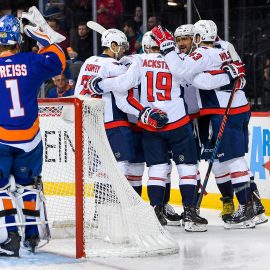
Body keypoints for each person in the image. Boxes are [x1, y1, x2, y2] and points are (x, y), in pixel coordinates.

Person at [151, 21, 257, 229]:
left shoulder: (202, 54)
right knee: (231, 159)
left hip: (224, 109)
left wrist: (167, 50)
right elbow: (239, 75)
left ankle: (247, 208)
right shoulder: (223, 49)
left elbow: (189, 75)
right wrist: (228, 75)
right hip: (238, 108)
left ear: (197, 38)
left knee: (234, 160)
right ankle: (249, 206)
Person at [0, 7, 66, 257]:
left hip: (1, 139)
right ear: (19, 40)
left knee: (1, 188)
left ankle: (9, 237)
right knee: (28, 186)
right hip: (30, 139)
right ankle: (32, 235)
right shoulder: (30, 61)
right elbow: (59, 59)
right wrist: (46, 35)